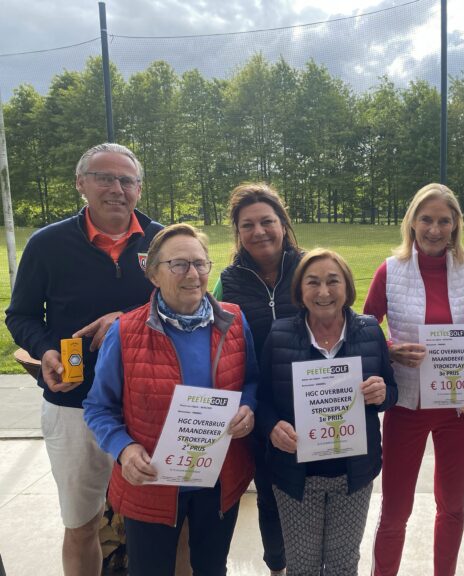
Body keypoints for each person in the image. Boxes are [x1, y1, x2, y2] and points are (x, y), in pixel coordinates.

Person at [4, 142, 162, 576]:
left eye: (126, 180)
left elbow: (190, 304)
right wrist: (45, 350)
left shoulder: (161, 240)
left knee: (156, 522)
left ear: (139, 189)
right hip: (73, 404)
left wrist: (127, 318)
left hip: (146, 403)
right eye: (104, 178)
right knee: (81, 523)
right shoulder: (48, 243)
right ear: (81, 184)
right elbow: (18, 315)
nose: (116, 188)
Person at [83, 223, 257, 575]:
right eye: (178, 264)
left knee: (211, 568)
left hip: (218, 478)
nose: (192, 274)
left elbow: (251, 380)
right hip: (152, 481)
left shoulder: (234, 320)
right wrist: (124, 449)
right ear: (154, 274)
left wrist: (248, 408)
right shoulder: (125, 332)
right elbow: (98, 407)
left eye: (200, 263)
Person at [365, 183, 464, 576]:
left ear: (456, 225)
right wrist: (389, 349)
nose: (435, 229)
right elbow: (366, 328)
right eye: (426, 219)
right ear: (412, 223)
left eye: (444, 221)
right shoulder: (390, 270)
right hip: (407, 404)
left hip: (458, 406)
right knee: (395, 509)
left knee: (452, 506)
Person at [258, 248, 397, 576]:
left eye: (333, 281)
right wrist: (271, 427)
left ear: (347, 287)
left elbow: (391, 392)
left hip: (353, 476)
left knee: (343, 565)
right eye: (313, 282)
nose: (323, 292)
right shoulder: (279, 335)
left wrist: (381, 394)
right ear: (299, 290)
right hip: (297, 477)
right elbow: (260, 399)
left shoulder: (369, 331)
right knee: (303, 567)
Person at [213, 182, 302, 576]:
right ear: (238, 232)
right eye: (247, 225)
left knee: (312, 491)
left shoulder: (310, 268)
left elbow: (343, 322)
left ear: (283, 223)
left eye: (267, 221)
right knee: (268, 493)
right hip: (258, 408)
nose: (259, 231)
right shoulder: (228, 282)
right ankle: (278, 567)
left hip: (313, 399)